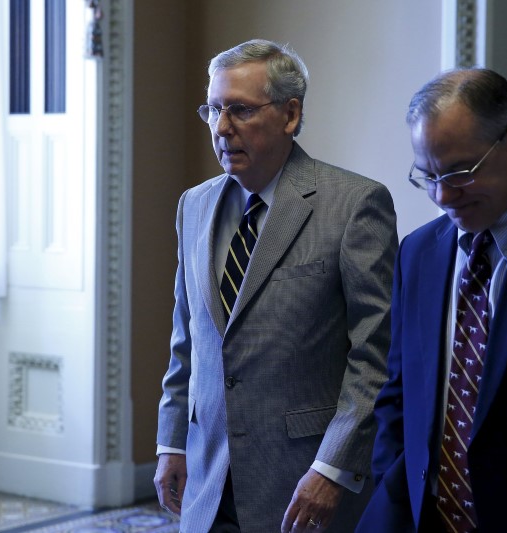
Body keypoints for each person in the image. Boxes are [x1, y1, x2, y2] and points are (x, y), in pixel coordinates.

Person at [153, 38, 398, 533]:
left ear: (290, 115)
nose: (221, 128)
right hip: (208, 479)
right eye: (214, 110)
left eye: (240, 110)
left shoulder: (355, 205)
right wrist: (171, 441)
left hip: (304, 484)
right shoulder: (194, 205)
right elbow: (187, 339)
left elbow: (376, 354)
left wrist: (332, 467)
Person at [355, 67, 507, 533]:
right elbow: (399, 397)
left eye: (460, 172)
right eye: (429, 176)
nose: (443, 196)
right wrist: (396, 500)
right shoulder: (418, 253)